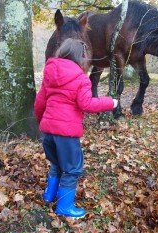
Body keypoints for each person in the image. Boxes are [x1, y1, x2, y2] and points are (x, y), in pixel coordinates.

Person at [34, 38, 118, 218]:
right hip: (66, 134)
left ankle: (49, 195)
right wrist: (110, 102)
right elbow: (86, 104)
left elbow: (40, 101)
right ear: (82, 57)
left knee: (56, 164)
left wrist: (43, 122)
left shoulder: (49, 73)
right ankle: (64, 207)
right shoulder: (81, 79)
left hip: (48, 131)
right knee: (72, 169)